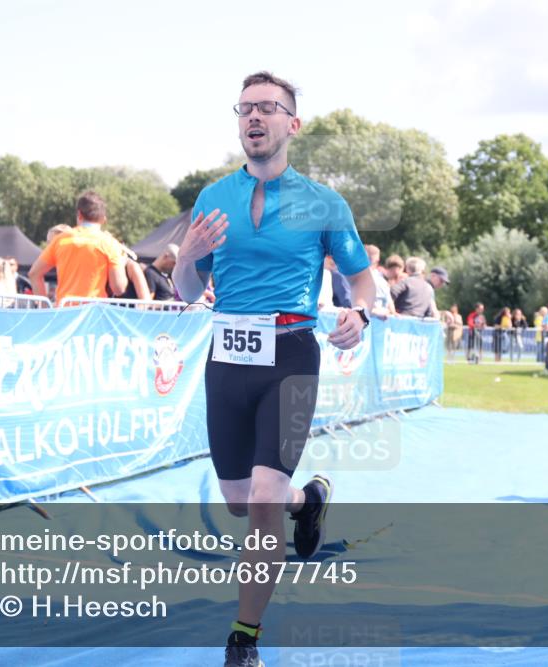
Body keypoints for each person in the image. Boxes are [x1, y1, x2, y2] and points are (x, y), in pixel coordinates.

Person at [171, 71, 375, 667]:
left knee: (260, 498)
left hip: (290, 356)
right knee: (240, 500)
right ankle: (306, 501)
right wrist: (187, 258)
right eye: (245, 108)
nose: (254, 118)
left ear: (293, 123)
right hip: (227, 358)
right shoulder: (212, 199)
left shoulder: (323, 204)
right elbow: (188, 291)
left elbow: (360, 278)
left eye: (268, 108)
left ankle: (244, 638)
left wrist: (359, 314)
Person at [28, 191, 128, 306]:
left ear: (79, 215)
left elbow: (34, 274)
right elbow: (118, 288)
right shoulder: (110, 243)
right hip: (93, 314)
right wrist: (120, 262)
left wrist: (45, 308)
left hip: (65, 313)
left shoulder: (60, 240)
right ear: (103, 220)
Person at [365, 244, 395, 319]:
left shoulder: (354, 277)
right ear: (377, 260)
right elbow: (390, 306)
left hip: (367, 320)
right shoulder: (382, 280)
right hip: (381, 321)